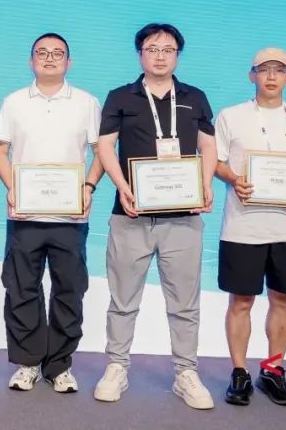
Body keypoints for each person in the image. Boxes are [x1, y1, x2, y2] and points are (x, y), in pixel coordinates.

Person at [93, 23, 217, 409]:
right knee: (122, 299)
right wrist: (122, 186)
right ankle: (116, 367)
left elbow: (209, 146)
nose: (160, 56)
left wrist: (205, 184)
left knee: (184, 303)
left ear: (178, 55)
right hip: (130, 214)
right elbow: (105, 147)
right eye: (152, 48)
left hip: (183, 217)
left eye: (168, 49)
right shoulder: (120, 96)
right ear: (140, 54)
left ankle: (186, 373)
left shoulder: (195, 97)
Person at [0, 32, 103, 394]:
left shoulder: (87, 102)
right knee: (21, 289)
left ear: (69, 62)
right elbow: (0, 151)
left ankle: (59, 365)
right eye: (42, 52)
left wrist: (88, 187)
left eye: (58, 53)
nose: (50, 58)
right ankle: (27, 363)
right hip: (24, 216)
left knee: (69, 291)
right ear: (31, 61)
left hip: (70, 217)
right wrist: (13, 188)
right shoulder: (13, 102)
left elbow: (101, 152)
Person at [214, 48, 286, 407]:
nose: (272, 76)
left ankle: (273, 370)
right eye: (264, 70)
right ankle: (239, 372)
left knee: (282, 299)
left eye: (279, 70)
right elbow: (215, 161)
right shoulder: (231, 116)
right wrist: (234, 179)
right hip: (242, 227)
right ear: (252, 75)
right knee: (241, 301)